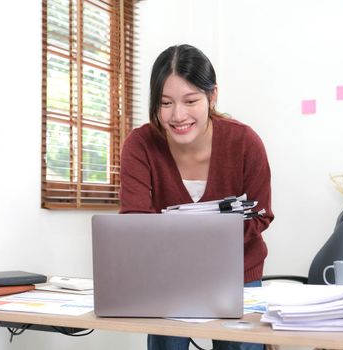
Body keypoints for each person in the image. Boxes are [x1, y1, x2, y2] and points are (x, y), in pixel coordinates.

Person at [119, 44, 274, 350]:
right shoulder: (141, 145)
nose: (178, 115)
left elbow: (261, 214)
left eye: (191, 101)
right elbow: (135, 223)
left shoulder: (244, 142)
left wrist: (202, 241)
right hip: (169, 276)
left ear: (212, 96)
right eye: (165, 103)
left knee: (239, 345)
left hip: (238, 273)